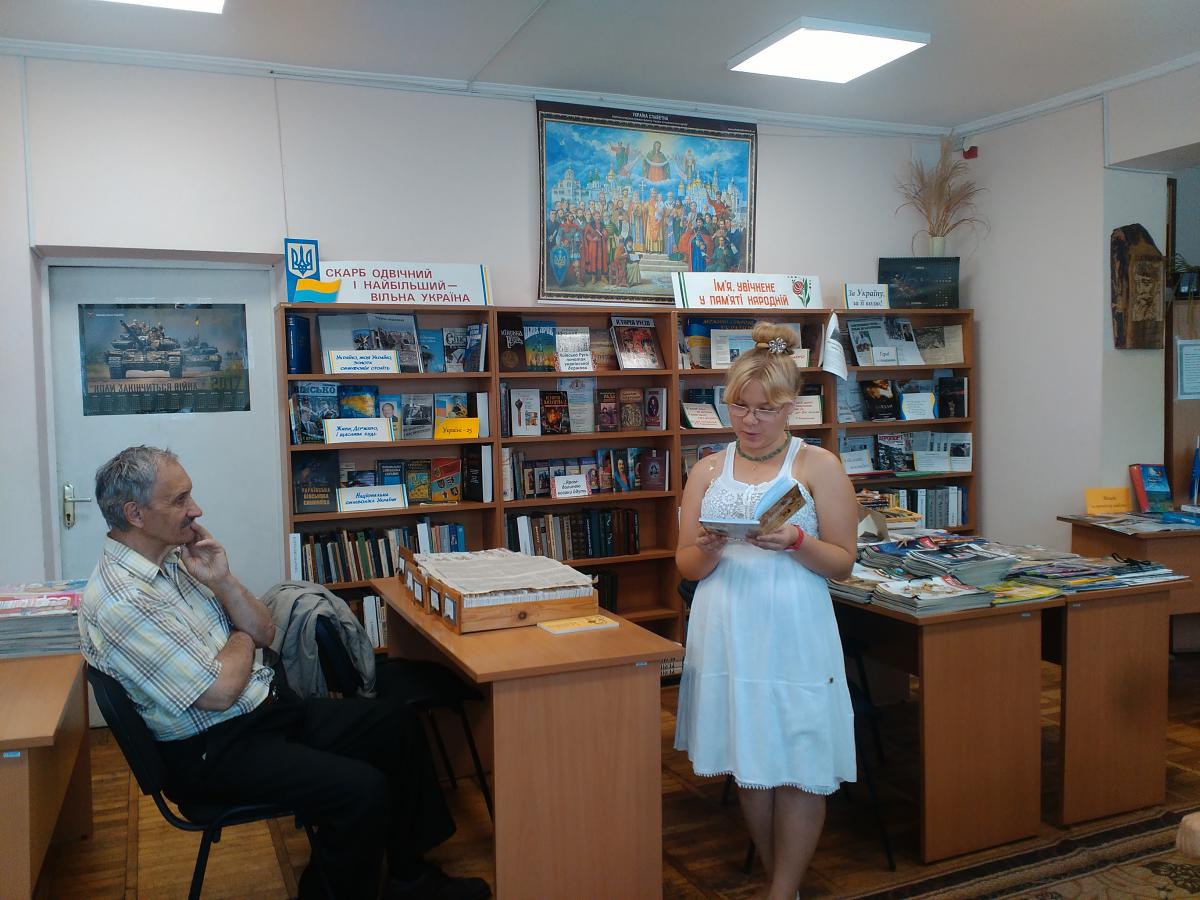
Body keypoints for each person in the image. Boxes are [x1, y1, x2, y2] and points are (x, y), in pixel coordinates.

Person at [78, 446, 489, 900]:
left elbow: (265, 629)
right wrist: (241, 637)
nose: (196, 510)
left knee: (395, 723)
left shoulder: (174, 561)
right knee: (359, 791)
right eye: (179, 500)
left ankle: (410, 877)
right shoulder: (122, 600)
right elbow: (220, 689)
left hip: (258, 713)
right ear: (135, 514)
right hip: (210, 750)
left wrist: (223, 580)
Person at [674, 323, 858, 900]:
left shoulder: (817, 465)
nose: (750, 421)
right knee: (747, 756)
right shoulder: (707, 469)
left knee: (800, 758)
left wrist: (797, 542)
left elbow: (844, 562)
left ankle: (781, 891)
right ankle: (784, 884)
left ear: (791, 406)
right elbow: (686, 566)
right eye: (739, 406)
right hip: (727, 625)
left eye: (765, 409)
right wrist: (707, 548)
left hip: (794, 626)